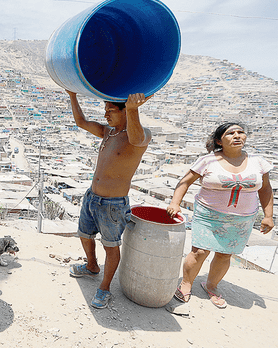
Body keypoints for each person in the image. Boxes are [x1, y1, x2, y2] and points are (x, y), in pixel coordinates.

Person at [167, 122, 273, 309]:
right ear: (219, 140)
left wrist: (268, 215)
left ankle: (211, 286)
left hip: (241, 219)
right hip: (208, 215)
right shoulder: (208, 161)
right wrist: (175, 202)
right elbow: (184, 182)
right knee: (199, 251)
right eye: (231, 133)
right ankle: (186, 284)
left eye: (241, 132)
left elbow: (265, 189)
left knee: (224, 255)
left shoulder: (258, 162)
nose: (237, 136)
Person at [66, 91, 152, 309]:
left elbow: (136, 138)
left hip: (113, 204)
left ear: (125, 111)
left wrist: (134, 109)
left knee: (111, 246)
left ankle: (104, 288)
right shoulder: (107, 132)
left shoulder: (141, 135)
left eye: (110, 110)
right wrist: (72, 95)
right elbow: (81, 122)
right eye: (105, 110)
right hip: (92, 197)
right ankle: (92, 266)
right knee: (85, 235)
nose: (105, 115)